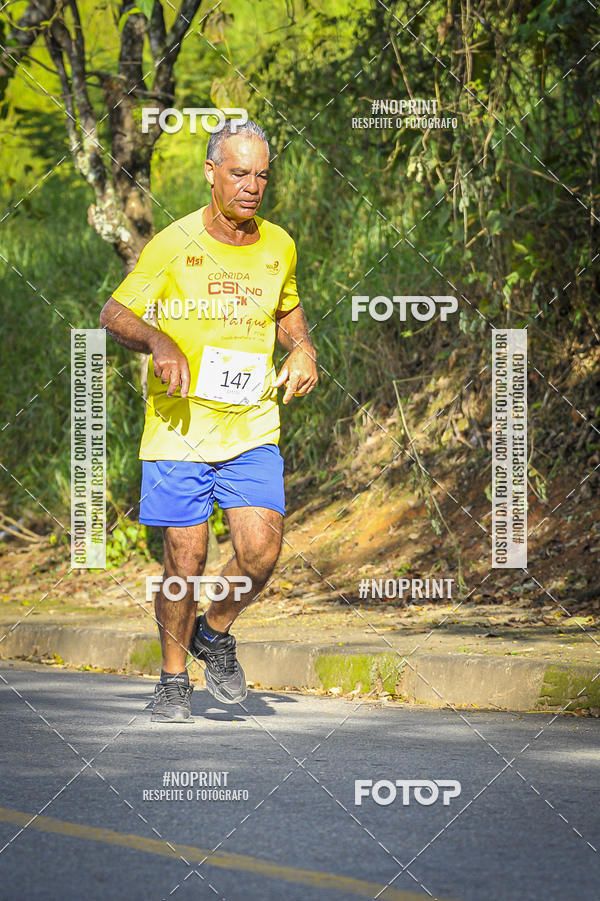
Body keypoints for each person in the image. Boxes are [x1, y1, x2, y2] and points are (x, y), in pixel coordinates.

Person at [100, 118, 317, 722]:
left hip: (251, 424)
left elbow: (288, 308)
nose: (252, 186)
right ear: (211, 173)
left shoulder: (279, 245)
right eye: (239, 172)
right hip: (178, 431)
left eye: (262, 175)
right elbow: (114, 312)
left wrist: (303, 349)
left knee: (261, 551)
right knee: (185, 560)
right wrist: (158, 342)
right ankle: (173, 680)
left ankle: (213, 633)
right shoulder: (173, 243)